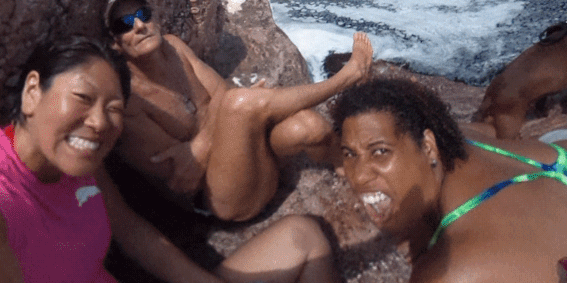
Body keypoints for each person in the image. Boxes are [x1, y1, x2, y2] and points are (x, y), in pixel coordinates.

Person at [0, 35, 338, 283]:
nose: (100, 122)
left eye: (114, 108)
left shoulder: (78, 164)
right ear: (32, 92)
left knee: (303, 237)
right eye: (82, 97)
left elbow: (134, 235)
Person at [330, 75, 567, 283]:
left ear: (428, 146)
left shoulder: (451, 270)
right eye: (349, 155)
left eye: (380, 152)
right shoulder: (459, 137)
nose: (359, 175)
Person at [104, 0, 374, 222]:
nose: (139, 25)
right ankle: (346, 78)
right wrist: (234, 112)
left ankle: (349, 167)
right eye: (124, 24)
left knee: (309, 127)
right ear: (115, 44)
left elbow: (223, 93)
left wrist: (205, 140)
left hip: (256, 167)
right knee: (239, 104)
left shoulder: (174, 47)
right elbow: (185, 176)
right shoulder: (131, 102)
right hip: (222, 199)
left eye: (143, 14)